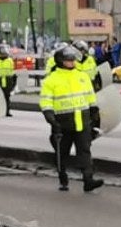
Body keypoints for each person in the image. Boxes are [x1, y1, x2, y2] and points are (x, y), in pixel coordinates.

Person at [40, 45, 103, 193]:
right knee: (62, 153)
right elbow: (46, 102)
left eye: (73, 59)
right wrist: (52, 120)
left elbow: (90, 97)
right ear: (61, 61)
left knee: (85, 151)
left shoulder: (82, 76)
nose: (72, 62)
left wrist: (94, 114)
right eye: (68, 60)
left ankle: (88, 180)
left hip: (82, 121)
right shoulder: (51, 79)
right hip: (62, 123)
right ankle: (63, 177)